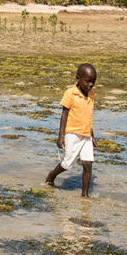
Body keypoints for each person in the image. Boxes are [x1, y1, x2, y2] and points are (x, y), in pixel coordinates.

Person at [44, 64, 98, 196]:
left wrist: (92, 136)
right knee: (68, 164)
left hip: (86, 135)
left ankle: (85, 195)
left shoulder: (91, 94)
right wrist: (61, 136)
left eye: (93, 82)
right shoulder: (70, 93)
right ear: (78, 78)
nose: (90, 85)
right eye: (88, 81)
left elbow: (88, 116)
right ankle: (52, 175)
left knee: (88, 164)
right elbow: (64, 115)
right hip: (72, 133)